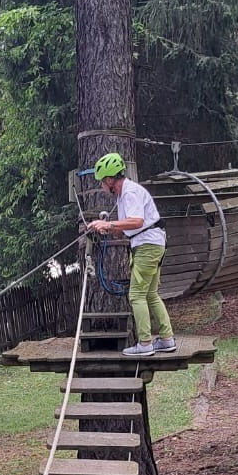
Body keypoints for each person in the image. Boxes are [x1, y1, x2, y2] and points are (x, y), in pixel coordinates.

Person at [88, 152, 175, 357]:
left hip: (147, 245)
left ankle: (145, 344)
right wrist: (105, 228)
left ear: (110, 179)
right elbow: (129, 227)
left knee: (136, 295)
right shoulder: (124, 194)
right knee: (151, 294)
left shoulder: (129, 193)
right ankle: (167, 339)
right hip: (151, 243)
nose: (101, 185)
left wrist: (108, 223)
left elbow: (137, 222)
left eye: (102, 181)